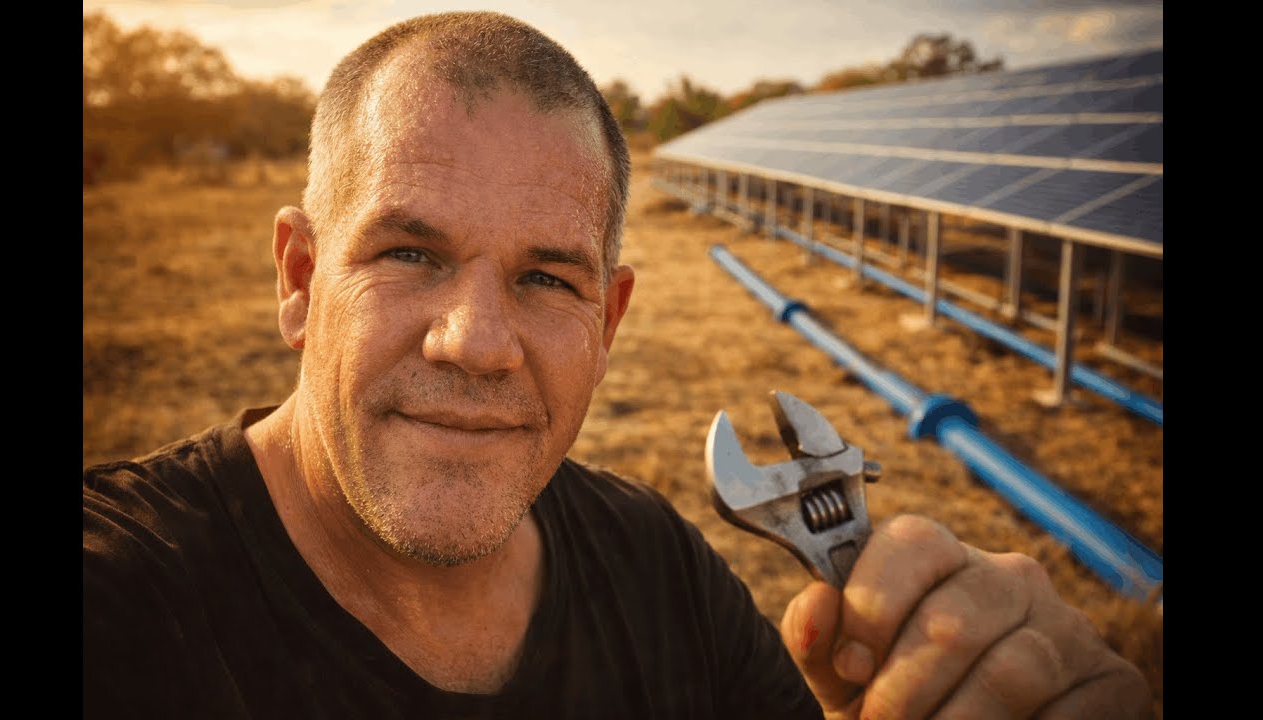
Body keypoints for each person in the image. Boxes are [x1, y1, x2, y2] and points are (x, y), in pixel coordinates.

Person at [82, 11, 1153, 719]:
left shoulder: (657, 570)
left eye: (548, 279)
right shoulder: (124, 603)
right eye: (409, 254)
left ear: (609, 319)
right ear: (300, 277)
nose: (477, 342)